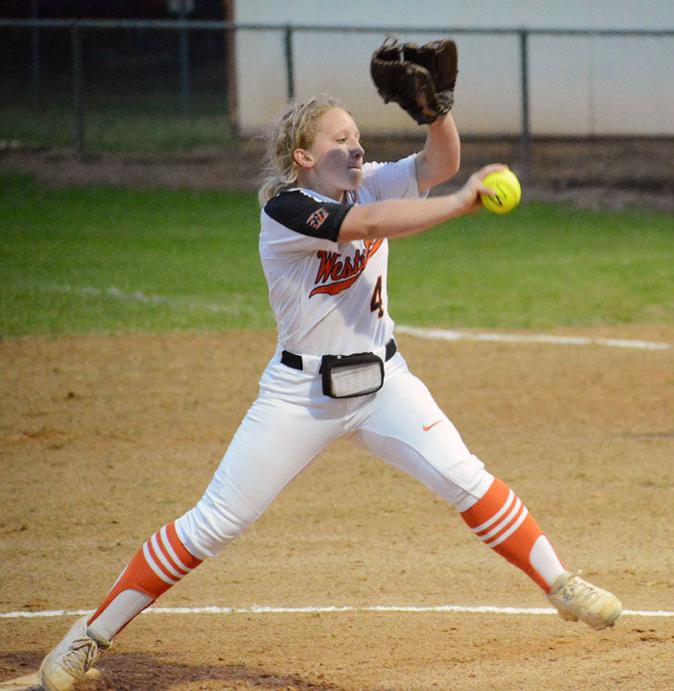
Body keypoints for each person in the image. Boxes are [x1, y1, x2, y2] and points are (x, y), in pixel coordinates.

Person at [36, 85, 622, 689]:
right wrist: (462, 204)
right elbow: (367, 223)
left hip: (384, 384)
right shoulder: (286, 210)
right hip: (300, 395)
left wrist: (437, 114)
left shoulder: (368, 181)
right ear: (304, 156)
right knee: (216, 522)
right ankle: (89, 636)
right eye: (340, 140)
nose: (356, 148)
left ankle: (560, 584)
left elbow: (439, 164)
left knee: (465, 478)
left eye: (357, 137)